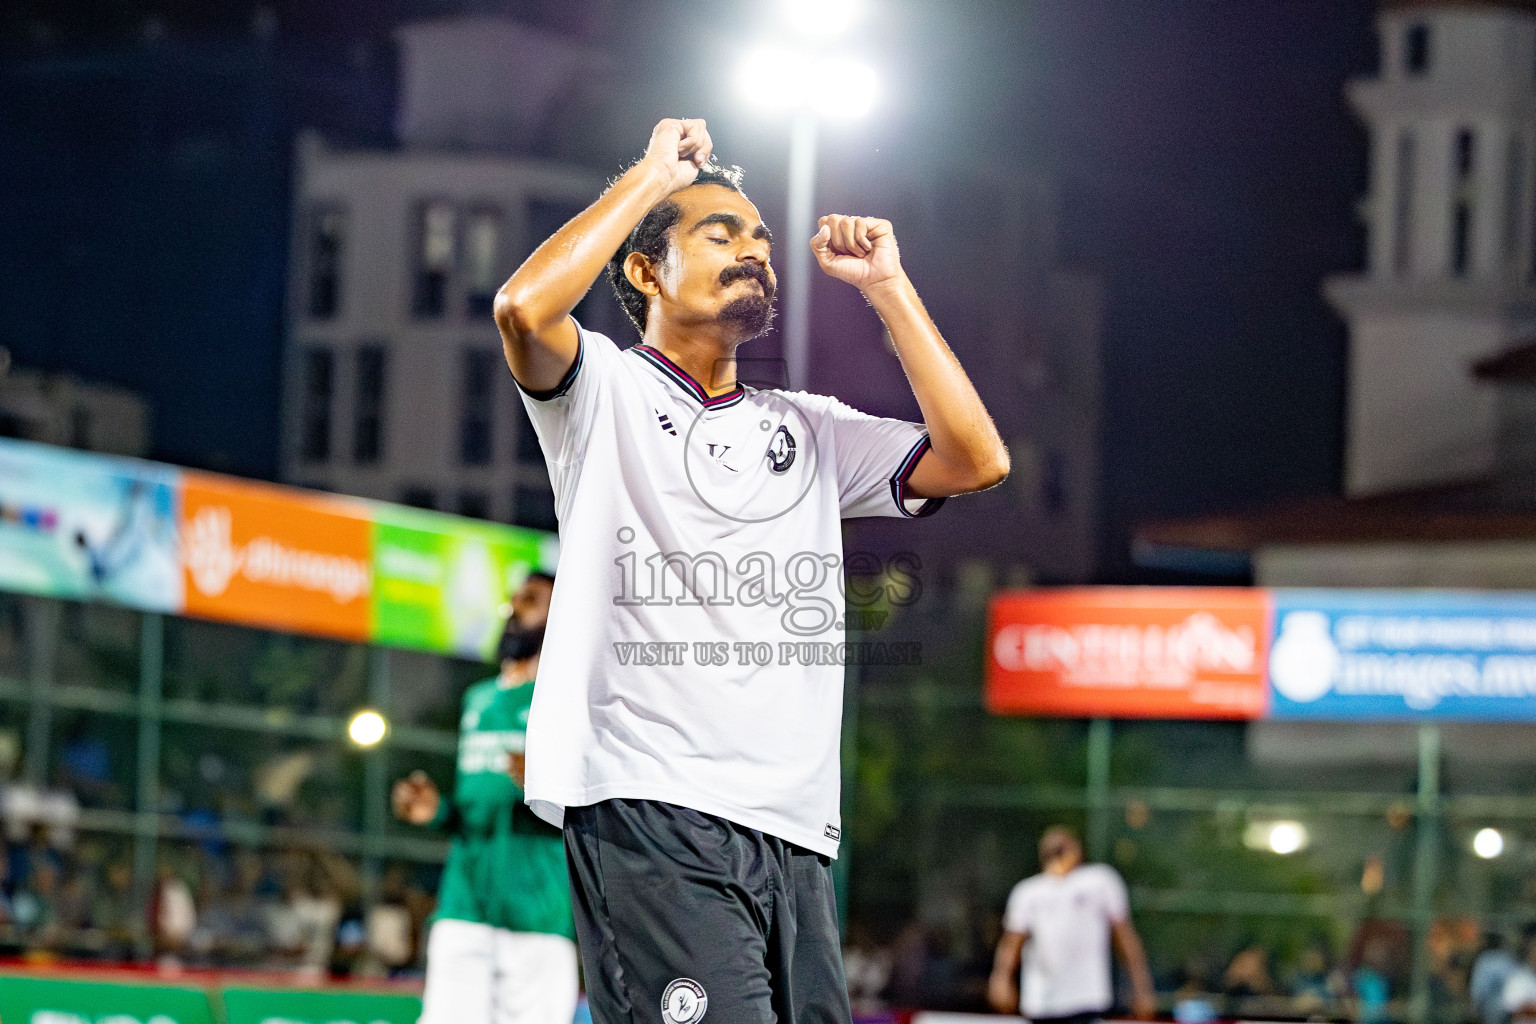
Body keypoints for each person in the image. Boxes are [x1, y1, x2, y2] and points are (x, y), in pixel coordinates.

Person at [494, 117, 1009, 1024]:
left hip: (794, 831)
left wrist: (888, 288)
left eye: (762, 240)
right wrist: (652, 176)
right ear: (648, 270)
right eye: (719, 234)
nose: (754, 252)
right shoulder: (603, 392)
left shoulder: (807, 425)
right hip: (650, 805)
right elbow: (524, 310)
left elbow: (975, 459)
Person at [392, 572, 576, 1024]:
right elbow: (473, 812)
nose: (514, 609)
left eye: (531, 601)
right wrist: (437, 811)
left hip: (538, 914)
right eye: (512, 600)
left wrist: (551, 787)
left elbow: (596, 814)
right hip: (464, 907)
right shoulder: (477, 699)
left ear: (563, 615)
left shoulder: (569, 699)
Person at [988, 826, 1156, 1023]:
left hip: (1085, 1000)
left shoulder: (1099, 882)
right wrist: (1001, 978)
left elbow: (1124, 936)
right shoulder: (1028, 892)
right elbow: (1013, 941)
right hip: (1041, 1002)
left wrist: (1142, 986)